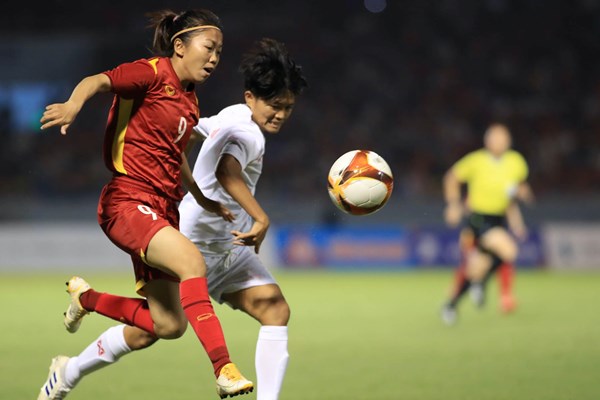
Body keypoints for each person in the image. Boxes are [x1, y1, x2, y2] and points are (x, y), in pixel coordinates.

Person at [38, 37, 307, 400]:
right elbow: (228, 170)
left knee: (270, 310)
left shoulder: (233, 114)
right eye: (275, 106)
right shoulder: (248, 133)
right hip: (195, 242)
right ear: (250, 98)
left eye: (288, 108)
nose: (281, 115)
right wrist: (261, 217)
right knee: (157, 327)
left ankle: (75, 344)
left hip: (227, 246)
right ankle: (74, 365)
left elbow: (185, 135)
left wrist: (195, 189)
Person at [441, 123, 533, 325]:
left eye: (502, 138)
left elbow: (514, 197)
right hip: (479, 218)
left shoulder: (516, 162)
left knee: (477, 268)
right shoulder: (476, 160)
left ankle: (451, 305)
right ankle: (481, 283)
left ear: (508, 141)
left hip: (499, 219)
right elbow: (451, 178)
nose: (499, 142)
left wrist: (518, 221)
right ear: (487, 140)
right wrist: (453, 205)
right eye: (495, 138)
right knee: (509, 251)